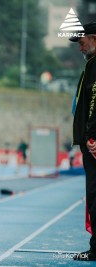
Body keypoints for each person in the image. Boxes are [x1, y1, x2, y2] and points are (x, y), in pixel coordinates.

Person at [70, 22, 96, 261]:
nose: (80, 48)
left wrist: (92, 137)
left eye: (81, 42)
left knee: (95, 195)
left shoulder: (95, 66)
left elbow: (94, 103)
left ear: (94, 38)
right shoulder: (91, 65)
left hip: (94, 143)